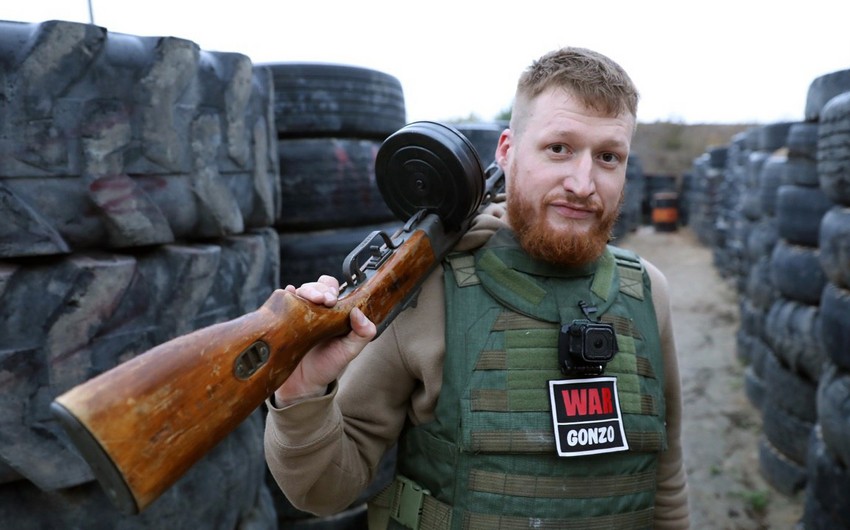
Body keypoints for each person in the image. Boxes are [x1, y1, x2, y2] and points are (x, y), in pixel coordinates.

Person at [264, 46, 690, 529]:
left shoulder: (645, 292)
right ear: (507, 151)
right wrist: (301, 396)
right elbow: (322, 490)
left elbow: (666, 479)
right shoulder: (428, 290)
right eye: (559, 149)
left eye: (608, 157)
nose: (582, 183)